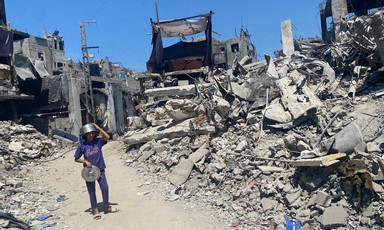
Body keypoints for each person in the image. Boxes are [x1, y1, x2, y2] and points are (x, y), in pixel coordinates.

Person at [74, 123, 118, 219]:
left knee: (105, 188)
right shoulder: (82, 146)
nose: (91, 135)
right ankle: (95, 210)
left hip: (100, 169)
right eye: (89, 133)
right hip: (89, 172)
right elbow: (76, 158)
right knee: (92, 191)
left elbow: (107, 137)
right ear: (85, 134)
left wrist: (97, 127)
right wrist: (85, 161)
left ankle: (106, 207)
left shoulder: (98, 141)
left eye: (92, 133)